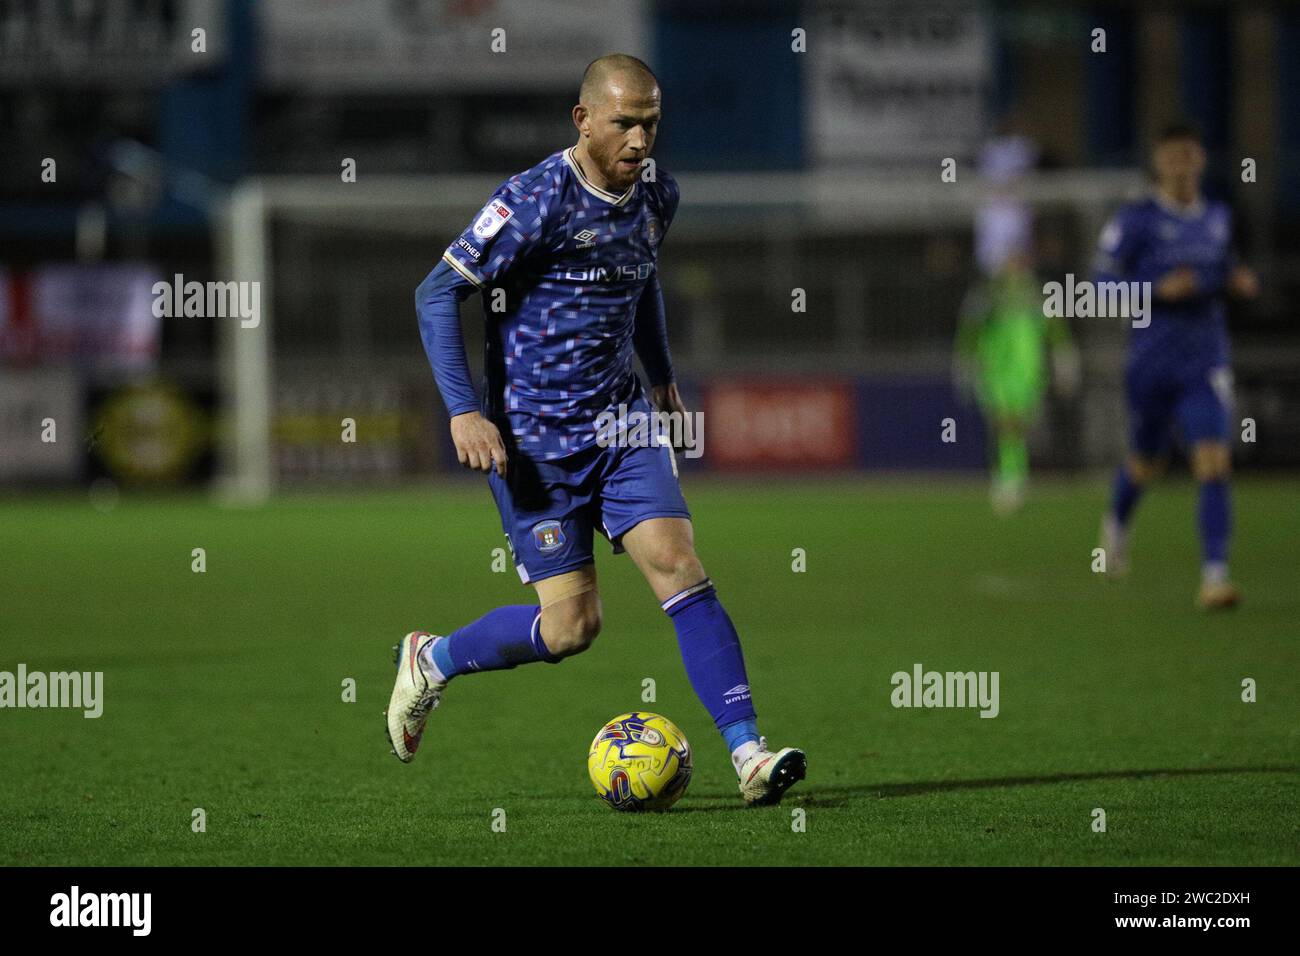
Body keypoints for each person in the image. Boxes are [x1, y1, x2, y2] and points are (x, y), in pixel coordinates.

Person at [391, 54, 806, 805]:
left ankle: (749, 753)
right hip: (533, 444)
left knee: (678, 564)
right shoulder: (533, 200)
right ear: (582, 120)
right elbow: (435, 293)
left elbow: (641, 280)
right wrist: (462, 408)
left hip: (621, 422)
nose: (641, 140)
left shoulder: (658, 195)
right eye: (624, 123)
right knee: (572, 627)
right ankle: (434, 659)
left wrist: (663, 378)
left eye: (651, 123)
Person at [1094, 123, 1259, 609]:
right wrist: (1154, 291)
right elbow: (1098, 288)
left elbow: (1227, 267)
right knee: (1147, 462)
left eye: (1189, 154)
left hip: (1206, 359)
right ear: (1158, 162)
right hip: (1150, 360)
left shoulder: (1218, 218)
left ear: (1202, 159)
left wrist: (1239, 280)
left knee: (1213, 461)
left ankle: (1214, 577)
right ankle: (1117, 525)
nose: (1181, 164)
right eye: (1172, 156)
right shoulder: (1135, 220)